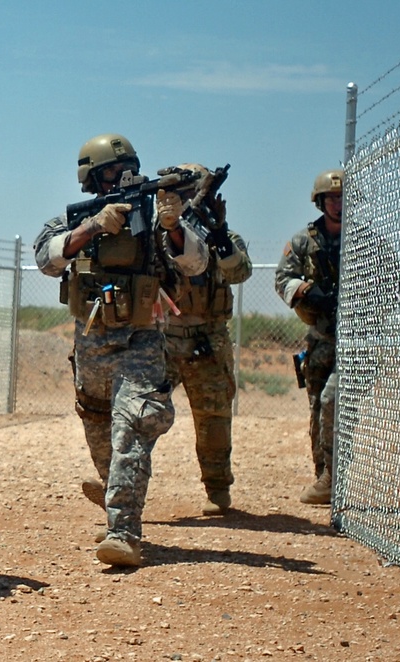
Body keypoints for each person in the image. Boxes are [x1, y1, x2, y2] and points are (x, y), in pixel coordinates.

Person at [33, 134, 209, 567]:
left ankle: (123, 531)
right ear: (91, 178)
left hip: (140, 338)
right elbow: (46, 258)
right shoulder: (73, 219)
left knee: (133, 423)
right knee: (97, 426)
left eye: (126, 168)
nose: (120, 177)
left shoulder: (156, 218)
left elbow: (197, 262)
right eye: (110, 172)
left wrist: (172, 225)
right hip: (91, 340)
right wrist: (92, 227)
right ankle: (116, 491)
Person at [163, 164, 252, 516]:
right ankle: (121, 488)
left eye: (190, 192)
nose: (184, 200)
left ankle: (217, 489)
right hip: (163, 337)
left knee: (214, 418)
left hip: (208, 339)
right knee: (140, 413)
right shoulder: (157, 233)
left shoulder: (222, 235)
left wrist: (219, 233)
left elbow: (239, 272)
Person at [275, 169, 343, 506]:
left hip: (353, 341)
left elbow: (393, 280)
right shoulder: (305, 240)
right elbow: (281, 279)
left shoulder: (363, 240)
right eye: (331, 197)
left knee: (335, 404)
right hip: (319, 339)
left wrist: (361, 302)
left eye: (342, 197)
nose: (337, 203)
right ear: (320, 201)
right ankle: (324, 476)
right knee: (318, 408)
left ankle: (335, 475)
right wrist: (305, 290)